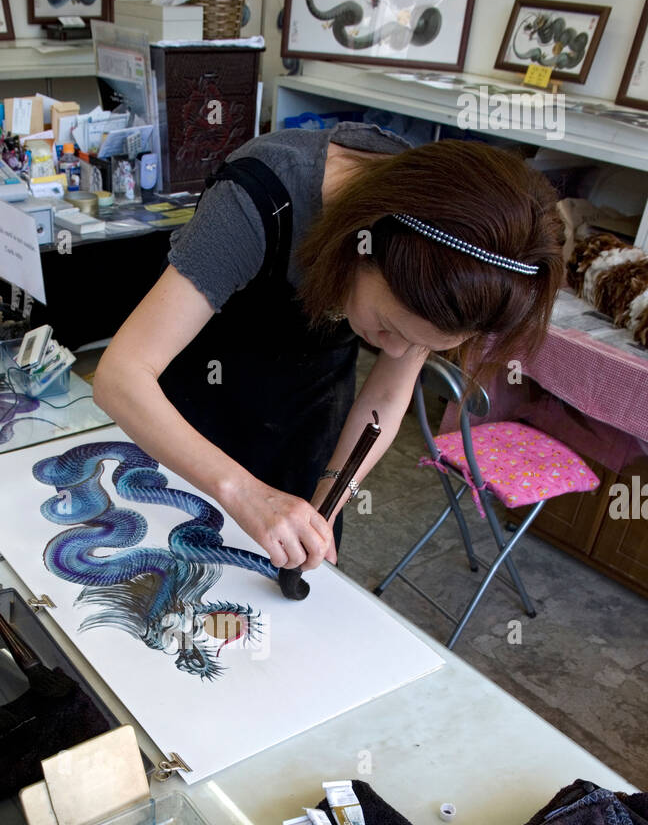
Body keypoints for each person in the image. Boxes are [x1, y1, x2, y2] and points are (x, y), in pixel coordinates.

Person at [94, 126, 563, 575]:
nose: (398, 352)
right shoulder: (257, 199)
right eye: (387, 327)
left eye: (420, 345)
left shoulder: (444, 251)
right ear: (358, 247)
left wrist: (330, 499)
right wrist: (242, 491)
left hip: (308, 415)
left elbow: (384, 399)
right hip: (190, 409)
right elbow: (121, 375)